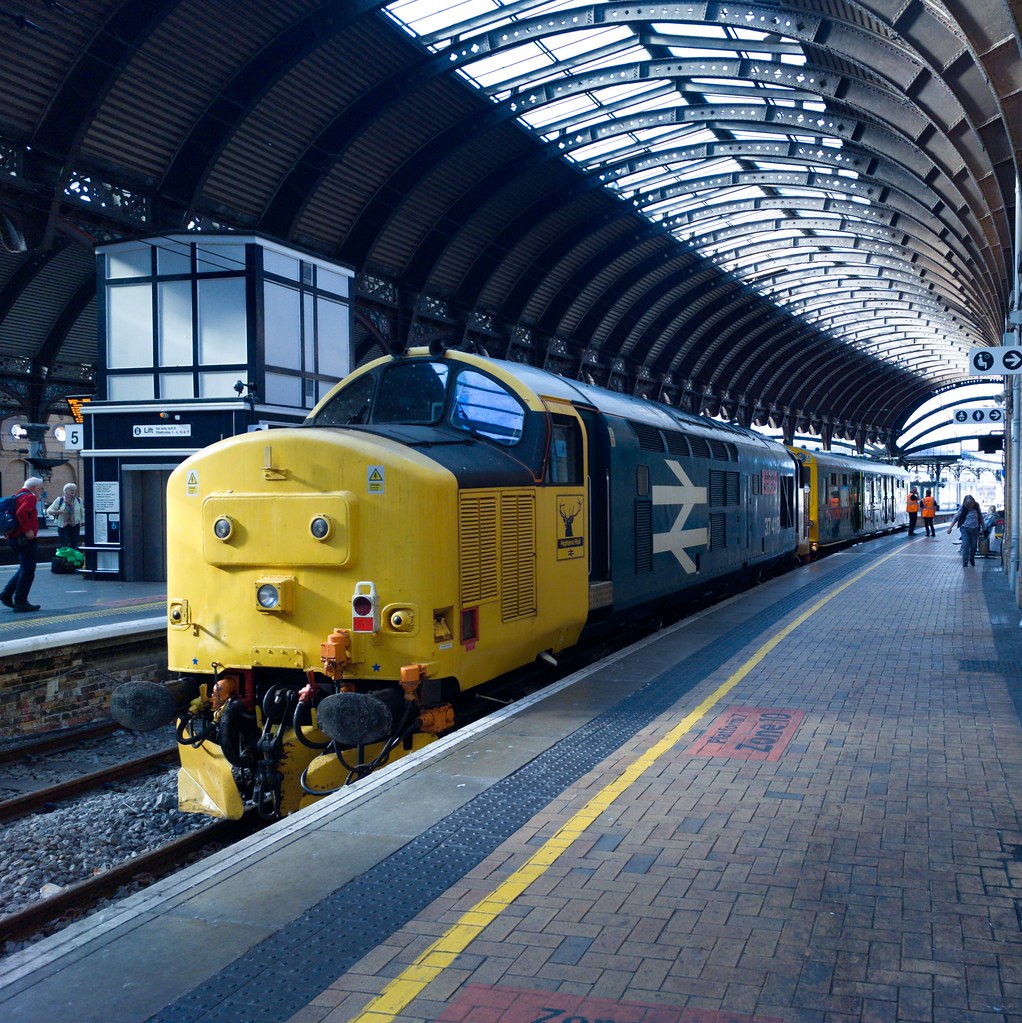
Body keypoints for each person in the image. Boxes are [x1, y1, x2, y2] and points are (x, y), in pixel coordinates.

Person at [0, 477, 44, 611]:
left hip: (14, 537)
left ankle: (7, 594)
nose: (42, 491)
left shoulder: (17, 495)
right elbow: (22, 513)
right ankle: (20, 601)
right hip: (24, 538)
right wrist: (28, 530)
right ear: (34, 488)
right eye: (41, 488)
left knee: (24, 567)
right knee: (29, 570)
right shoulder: (30, 497)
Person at [46, 482, 85, 548]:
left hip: (75, 525)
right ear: (65, 491)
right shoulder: (60, 500)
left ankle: (73, 557)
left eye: (74, 490)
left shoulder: (78, 500)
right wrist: (57, 511)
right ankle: (64, 557)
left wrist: (83, 521)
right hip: (63, 525)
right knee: (64, 544)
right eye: (71, 490)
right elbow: (49, 510)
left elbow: (82, 511)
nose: (73, 491)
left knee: (75, 544)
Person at [951, 493, 983, 567]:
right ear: (966, 503)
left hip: (975, 529)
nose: (970, 505)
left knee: (974, 545)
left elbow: (980, 517)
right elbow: (956, 517)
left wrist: (983, 527)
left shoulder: (976, 508)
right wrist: (950, 528)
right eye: (969, 503)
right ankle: (965, 562)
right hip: (964, 529)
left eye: (971, 503)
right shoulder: (963, 509)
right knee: (965, 545)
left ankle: (972, 558)